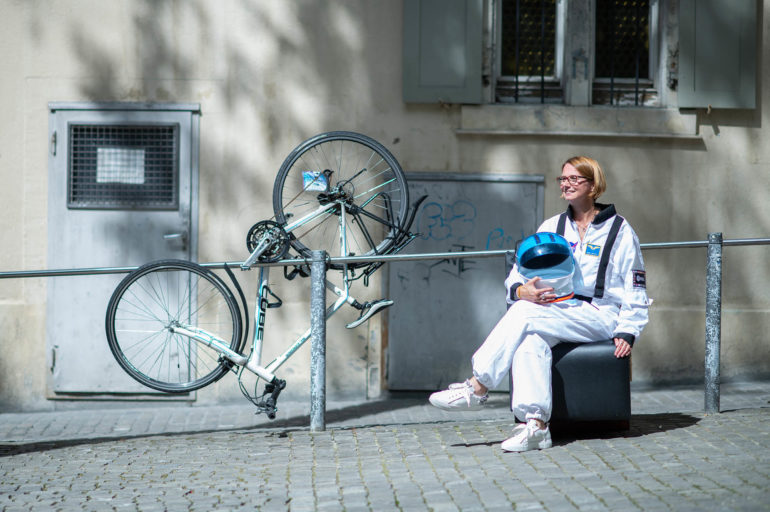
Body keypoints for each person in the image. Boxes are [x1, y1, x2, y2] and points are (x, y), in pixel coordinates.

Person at [429, 156, 649, 452]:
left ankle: (477, 387)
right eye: (563, 179)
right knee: (530, 339)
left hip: (602, 314)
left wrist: (627, 330)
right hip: (557, 310)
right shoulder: (552, 225)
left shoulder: (620, 230)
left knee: (525, 316)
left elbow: (634, 284)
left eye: (574, 179)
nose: (566, 184)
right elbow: (518, 275)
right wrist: (522, 291)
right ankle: (536, 426)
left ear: (593, 185)